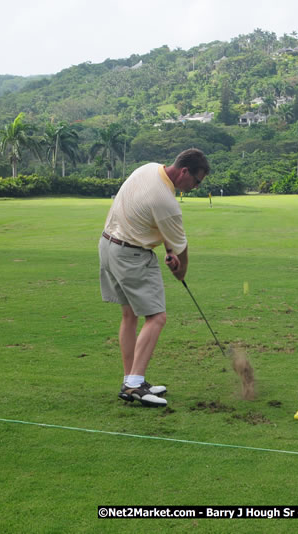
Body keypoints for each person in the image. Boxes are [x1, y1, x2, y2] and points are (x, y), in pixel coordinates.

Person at [99, 148, 209, 407]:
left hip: (108, 246)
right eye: (196, 181)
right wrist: (180, 271)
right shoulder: (167, 203)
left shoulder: (148, 168)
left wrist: (168, 250)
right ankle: (134, 384)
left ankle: (131, 380)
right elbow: (182, 251)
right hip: (132, 255)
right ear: (184, 171)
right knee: (157, 317)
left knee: (129, 315)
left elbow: (157, 226)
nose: (196, 187)